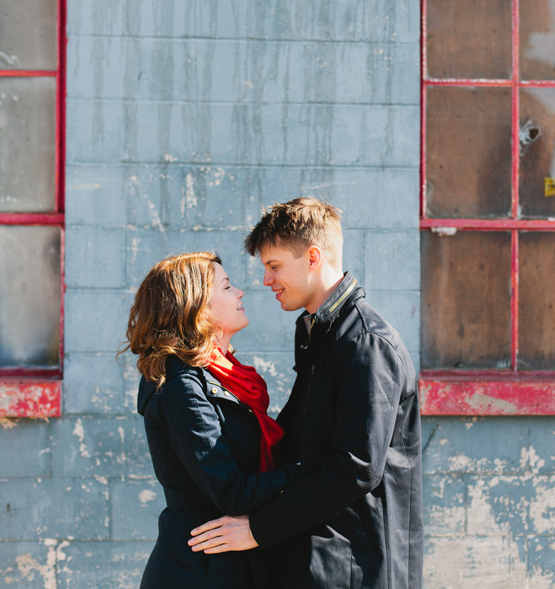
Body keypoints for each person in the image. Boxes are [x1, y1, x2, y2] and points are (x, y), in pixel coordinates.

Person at [188, 198, 424, 589]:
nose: (266, 280)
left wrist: (259, 529)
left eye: (274, 266)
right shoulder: (323, 334)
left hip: (354, 567)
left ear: (313, 257)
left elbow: (357, 466)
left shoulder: (364, 342)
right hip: (324, 559)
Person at [124, 252, 295, 588]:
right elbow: (232, 491)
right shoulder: (180, 386)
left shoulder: (220, 376)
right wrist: (307, 470)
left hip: (231, 564)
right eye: (227, 286)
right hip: (199, 572)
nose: (240, 293)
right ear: (198, 305)